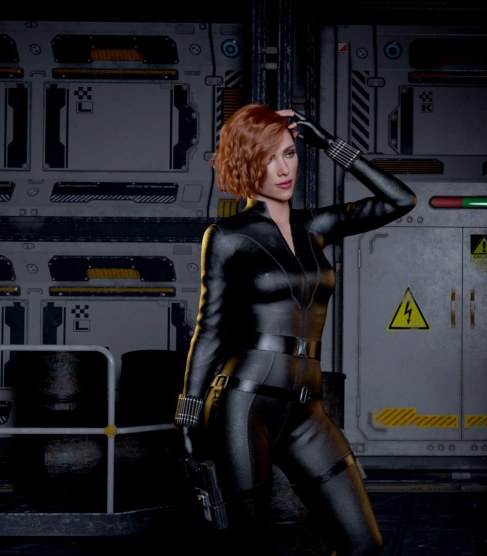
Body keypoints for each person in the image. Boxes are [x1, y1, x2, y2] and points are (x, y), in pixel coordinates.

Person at [173, 103, 416, 554]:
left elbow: (399, 200)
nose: (284, 169)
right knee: (250, 546)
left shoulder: (314, 227)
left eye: (289, 153)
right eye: (268, 158)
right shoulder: (226, 236)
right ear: (246, 164)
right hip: (245, 405)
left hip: (307, 409)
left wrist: (327, 142)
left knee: (364, 544)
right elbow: (210, 329)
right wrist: (187, 415)